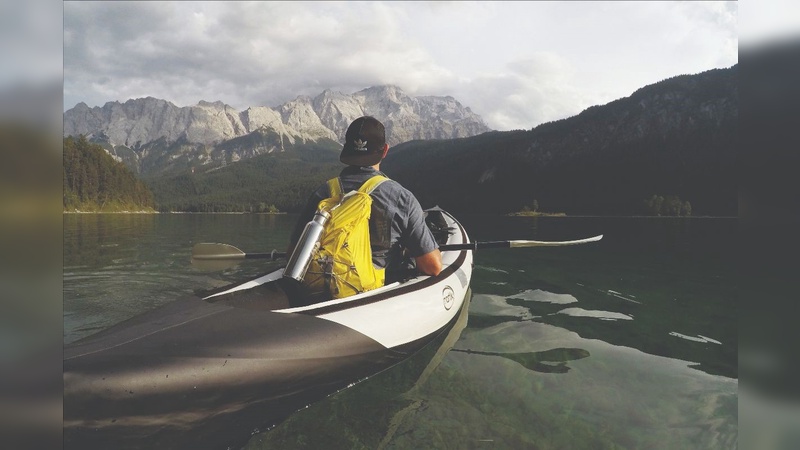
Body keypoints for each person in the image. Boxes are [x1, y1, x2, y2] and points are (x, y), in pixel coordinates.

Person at [288, 116, 442, 292]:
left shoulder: (323, 193)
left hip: (318, 287)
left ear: (346, 151)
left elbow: (292, 254)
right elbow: (433, 266)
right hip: (370, 292)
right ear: (385, 151)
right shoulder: (401, 198)